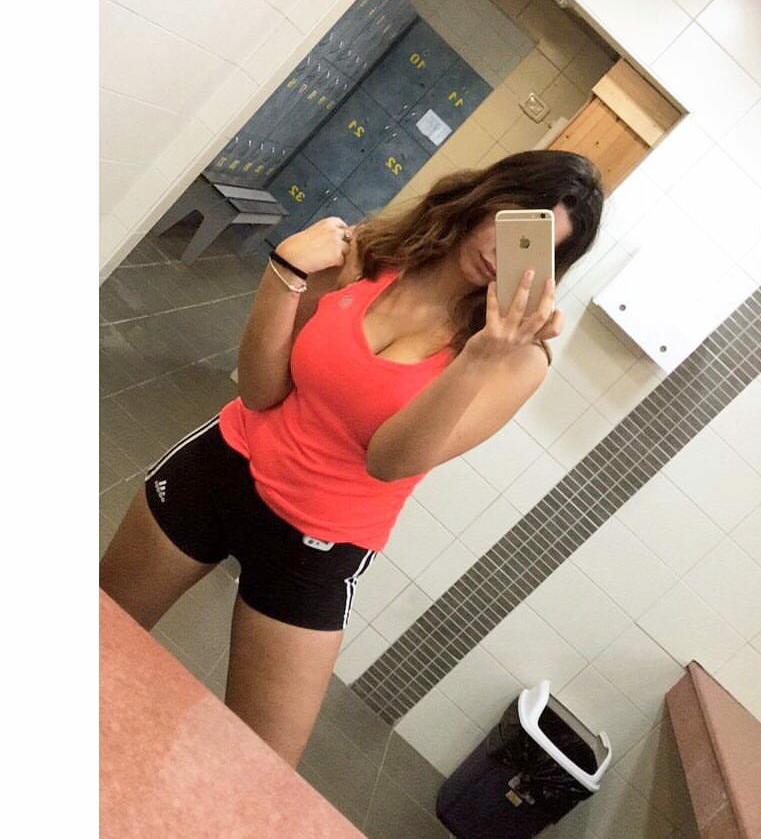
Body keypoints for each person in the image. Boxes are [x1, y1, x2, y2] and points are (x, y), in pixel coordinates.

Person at [100, 149, 604, 768]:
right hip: (224, 467)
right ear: (486, 197)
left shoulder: (517, 362)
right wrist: (285, 270)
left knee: (257, 768)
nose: (504, 255)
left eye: (530, 248)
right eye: (512, 222)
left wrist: (479, 356)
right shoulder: (376, 254)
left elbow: (389, 461)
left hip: (318, 546)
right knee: (99, 635)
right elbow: (260, 390)